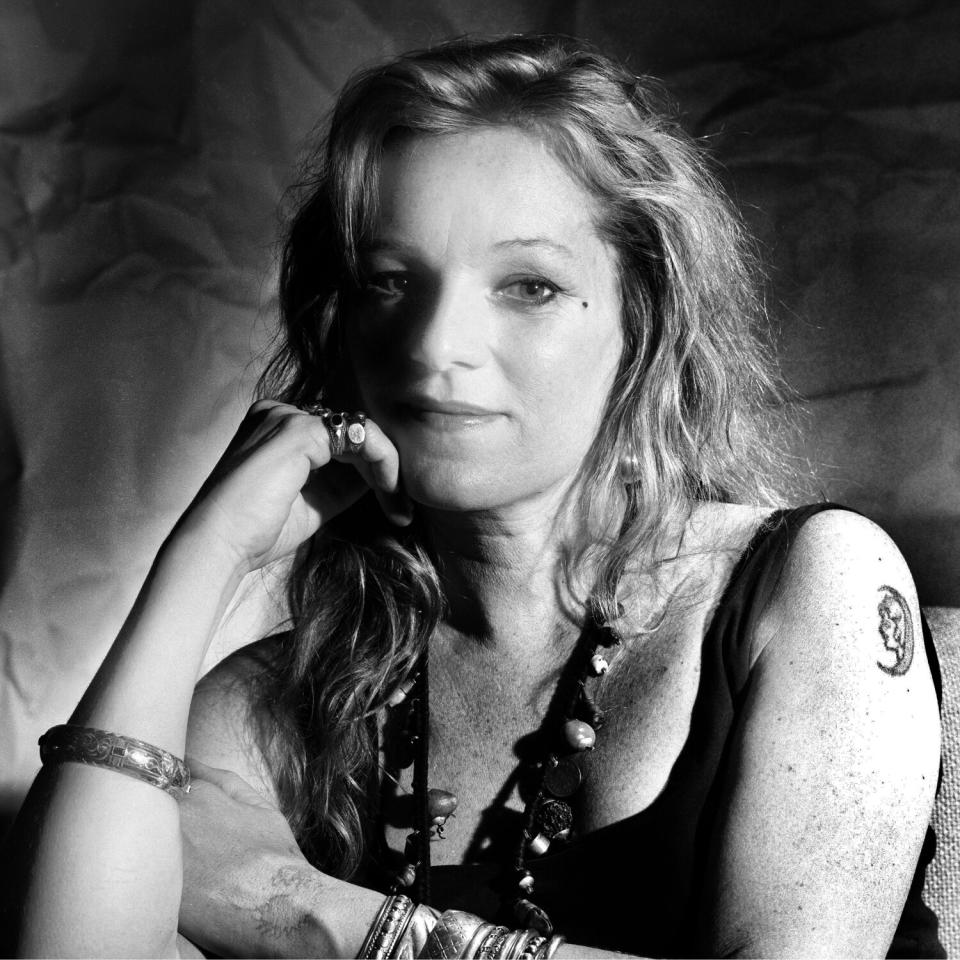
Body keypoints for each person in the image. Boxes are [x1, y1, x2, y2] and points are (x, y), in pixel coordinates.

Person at [4, 33, 943, 959]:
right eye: (390, 281)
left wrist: (308, 914)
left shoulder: (818, 584)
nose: (434, 345)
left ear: (643, 320)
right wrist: (201, 554)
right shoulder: (274, 705)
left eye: (528, 286)